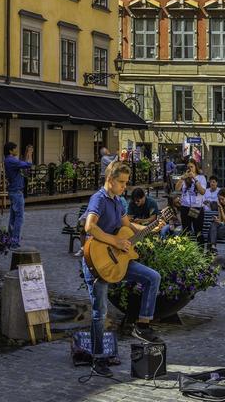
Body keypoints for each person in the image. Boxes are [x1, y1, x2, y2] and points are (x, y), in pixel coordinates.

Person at [81, 160, 164, 377]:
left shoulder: (118, 201)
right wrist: (115, 242)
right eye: (121, 182)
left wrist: (151, 228)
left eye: (126, 182)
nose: (124, 187)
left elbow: (127, 225)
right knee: (100, 313)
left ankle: (142, 325)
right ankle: (98, 359)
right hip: (97, 262)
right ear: (110, 179)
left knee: (152, 277)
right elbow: (89, 226)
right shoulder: (98, 198)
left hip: (118, 261)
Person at [3, 142, 33, 249]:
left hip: (14, 191)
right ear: (10, 151)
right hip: (16, 192)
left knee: (13, 217)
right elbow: (28, 164)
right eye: (15, 149)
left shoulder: (9, 160)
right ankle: (14, 241)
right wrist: (29, 154)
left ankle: (10, 239)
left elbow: (23, 167)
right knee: (19, 217)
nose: (17, 151)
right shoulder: (11, 160)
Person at [175, 159, 206, 238]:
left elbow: (202, 192)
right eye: (188, 167)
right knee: (186, 231)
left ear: (196, 167)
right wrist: (182, 178)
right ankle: (187, 249)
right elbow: (177, 189)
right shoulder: (185, 178)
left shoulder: (201, 178)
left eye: (192, 167)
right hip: (185, 207)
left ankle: (200, 250)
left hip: (196, 207)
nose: (190, 169)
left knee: (198, 231)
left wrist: (195, 179)